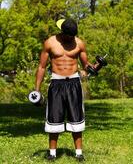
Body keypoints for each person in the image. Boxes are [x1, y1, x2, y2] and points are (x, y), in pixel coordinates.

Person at [35, 18, 94, 161]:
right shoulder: (50, 43)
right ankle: (52, 153)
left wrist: (94, 67)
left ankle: (79, 154)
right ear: (63, 32)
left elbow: (86, 66)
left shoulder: (79, 43)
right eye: (70, 36)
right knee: (54, 119)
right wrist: (36, 90)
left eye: (74, 35)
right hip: (56, 84)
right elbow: (42, 67)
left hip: (74, 83)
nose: (72, 38)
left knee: (76, 118)